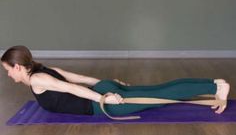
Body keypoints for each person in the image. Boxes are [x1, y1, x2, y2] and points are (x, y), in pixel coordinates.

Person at [1, 45, 230, 119]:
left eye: (7, 70)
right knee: (160, 89)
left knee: (162, 96)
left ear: (18, 66)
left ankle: (216, 87)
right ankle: (214, 83)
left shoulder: (37, 80)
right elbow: (77, 77)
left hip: (101, 102)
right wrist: (105, 83)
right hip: (101, 90)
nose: (9, 75)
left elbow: (71, 87)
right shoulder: (42, 69)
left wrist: (104, 98)